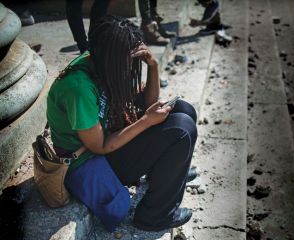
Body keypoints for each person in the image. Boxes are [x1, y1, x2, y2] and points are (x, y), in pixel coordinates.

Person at [46, 16, 197, 232]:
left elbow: (149, 103)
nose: (130, 66)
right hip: (90, 160)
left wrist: (152, 65)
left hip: (108, 143)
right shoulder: (78, 89)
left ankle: (169, 170)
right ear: (112, 58)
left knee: (184, 109)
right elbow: (100, 146)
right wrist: (145, 121)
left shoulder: (101, 62)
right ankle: (154, 217)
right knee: (181, 130)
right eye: (128, 61)